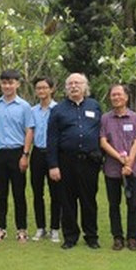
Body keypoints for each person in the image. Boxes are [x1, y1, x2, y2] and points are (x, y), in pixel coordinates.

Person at [46, 73, 103, 250]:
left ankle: (91, 236)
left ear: (85, 86)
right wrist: (53, 165)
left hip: (89, 162)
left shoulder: (94, 106)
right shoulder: (58, 110)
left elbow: (101, 133)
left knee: (89, 200)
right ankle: (70, 237)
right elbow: (52, 139)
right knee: (67, 201)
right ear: (66, 88)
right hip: (66, 162)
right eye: (70, 83)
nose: (73, 86)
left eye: (77, 83)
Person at [0, 69, 34, 242]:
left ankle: (21, 229)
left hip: (17, 152)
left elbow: (29, 130)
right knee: (1, 193)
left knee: (19, 193)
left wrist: (25, 154)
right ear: (0, 84)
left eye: (11, 82)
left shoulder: (24, 106)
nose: (7, 86)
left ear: (18, 84)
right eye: (4, 83)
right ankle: (0, 227)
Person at [99, 83, 136, 251]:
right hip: (112, 168)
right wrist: (119, 157)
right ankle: (117, 237)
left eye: (119, 94)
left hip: (132, 168)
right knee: (113, 204)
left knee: (133, 205)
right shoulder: (105, 118)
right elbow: (103, 141)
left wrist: (129, 162)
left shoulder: (135, 118)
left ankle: (132, 237)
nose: (116, 97)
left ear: (126, 97)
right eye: (113, 95)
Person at [29, 76, 61, 242]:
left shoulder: (59, 109)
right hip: (37, 153)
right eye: (38, 88)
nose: (41, 91)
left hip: (53, 154)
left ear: (51, 89)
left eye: (44, 88)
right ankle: (40, 227)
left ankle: (55, 228)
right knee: (37, 192)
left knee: (55, 193)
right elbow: (30, 132)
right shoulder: (32, 111)